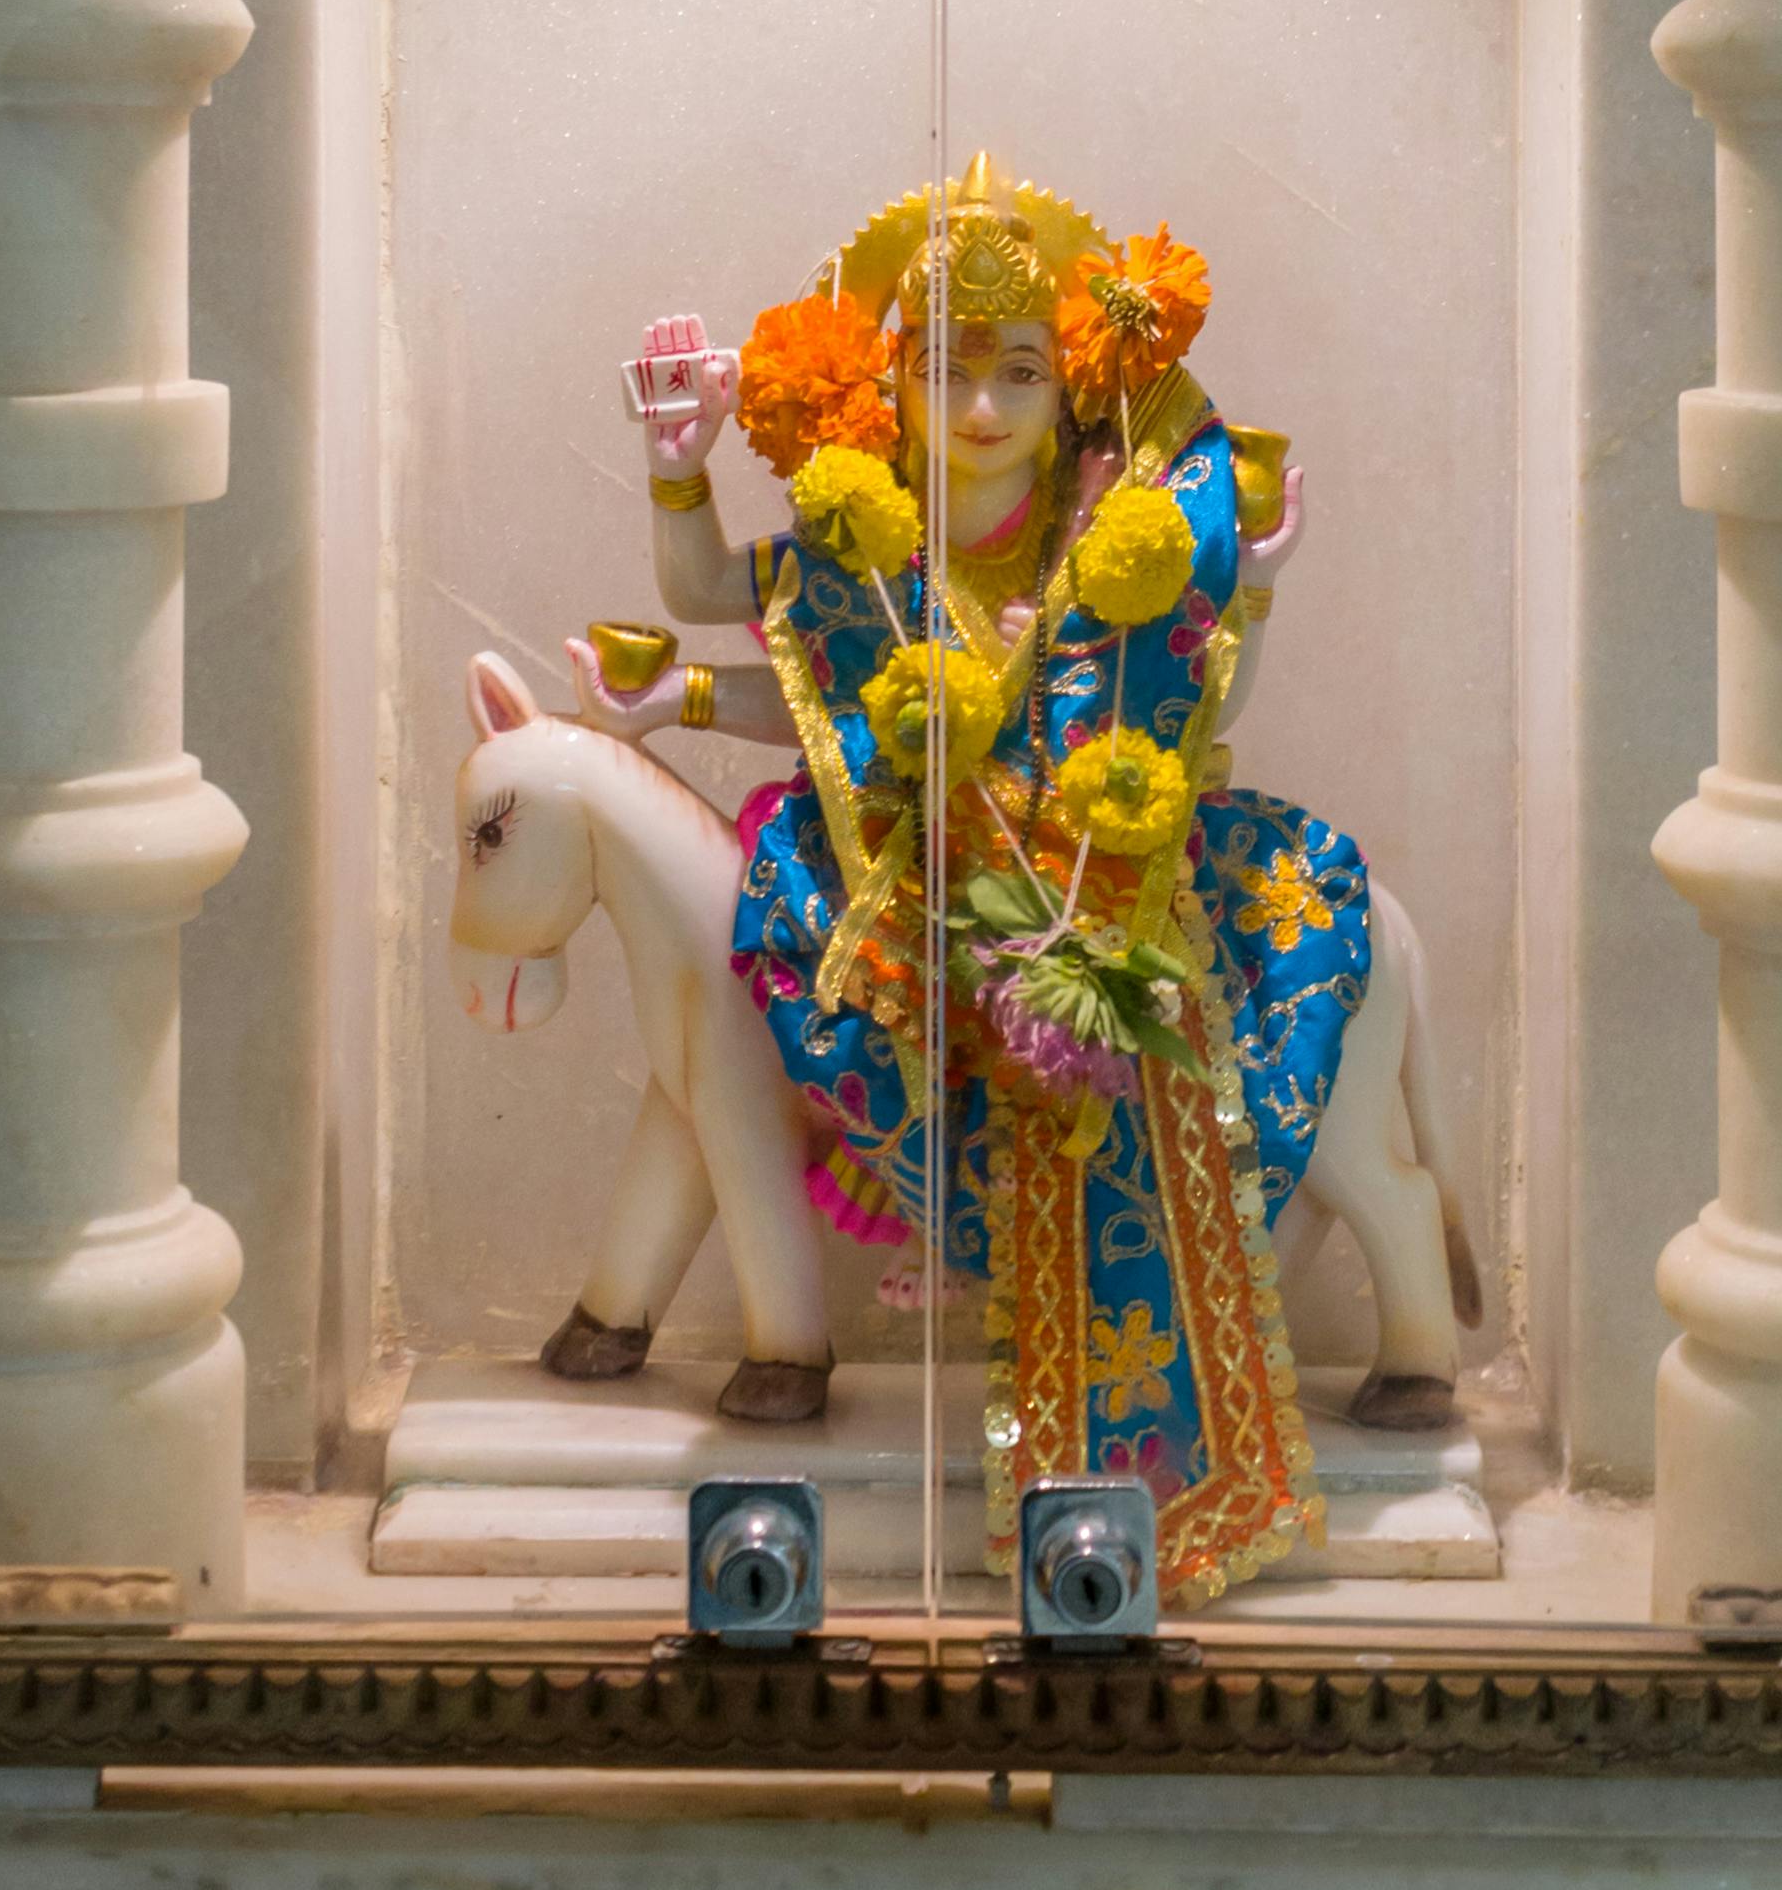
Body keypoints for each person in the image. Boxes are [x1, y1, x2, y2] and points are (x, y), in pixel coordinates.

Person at [575, 156, 1372, 1603]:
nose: (986, 409)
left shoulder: (1108, 540)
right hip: (908, 870)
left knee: (1159, 1037)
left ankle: (1153, 1455)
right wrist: (679, 473)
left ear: (1072, 391)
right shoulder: (862, 543)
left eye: (1018, 372)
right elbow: (765, 652)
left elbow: (1198, 701)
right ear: (893, 383)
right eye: (947, 370)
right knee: (808, 963)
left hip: (1092, 876)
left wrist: (1248, 579)